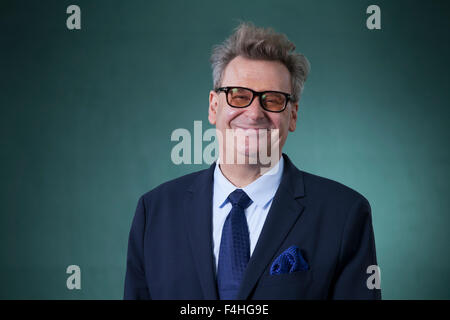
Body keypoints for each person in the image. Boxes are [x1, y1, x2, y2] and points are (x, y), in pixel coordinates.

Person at [124, 22, 381, 300]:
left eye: (272, 100)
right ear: (213, 106)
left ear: (292, 115)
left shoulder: (344, 214)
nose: (254, 113)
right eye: (239, 96)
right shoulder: (154, 212)